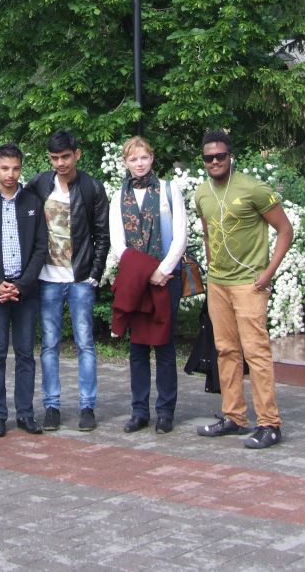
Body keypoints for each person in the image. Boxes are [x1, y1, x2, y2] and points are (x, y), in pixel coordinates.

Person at [193, 130, 294, 449]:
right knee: (225, 350)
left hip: (249, 283)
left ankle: (269, 423)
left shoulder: (254, 189)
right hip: (218, 284)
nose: (214, 162)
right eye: (208, 157)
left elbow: (285, 230)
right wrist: (211, 271)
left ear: (230, 157)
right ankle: (234, 416)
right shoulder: (201, 193)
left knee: (256, 352)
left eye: (220, 156)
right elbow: (208, 233)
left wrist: (268, 272)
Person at [31, 130, 110, 433]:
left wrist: (94, 274)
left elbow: (102, 235)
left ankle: (87, 406)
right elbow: (14, 203)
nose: (60, 163)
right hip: (47, 278)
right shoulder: (41, 184)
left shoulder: (92, 188)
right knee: (49, 344)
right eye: (54, 158)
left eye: (65, 156)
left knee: (85, 343)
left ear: (77, 154)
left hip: (80, 279)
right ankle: (52, 406)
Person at [0, 143, 49, 437]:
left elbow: (41, 248)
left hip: (24, 292)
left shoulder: (32, 202)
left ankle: (26, 414)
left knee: (26, 354)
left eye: (15, 168)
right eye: (4, 168)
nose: (10, 174)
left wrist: (22, 285)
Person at [109, 136, 186, 434]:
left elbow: (180, 235)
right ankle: (139, 410)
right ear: (125, 162)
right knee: (138, 347)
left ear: (152, 158)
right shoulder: (119, 195)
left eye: (143, 157)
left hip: (166, 278)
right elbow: (118, 243)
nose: (139, 164)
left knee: (164, 345)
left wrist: (162, 270)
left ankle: (165, 411)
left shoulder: (168, 189)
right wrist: (145, 272)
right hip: (137, 280)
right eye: (133, 159)